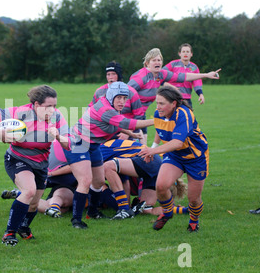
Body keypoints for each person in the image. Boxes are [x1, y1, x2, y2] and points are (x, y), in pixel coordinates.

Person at [0, 85, 70, 246]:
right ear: (36, 105)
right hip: (17, 158)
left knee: (35, 203)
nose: (52, 110)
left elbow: (68, 144)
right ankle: (9, 233)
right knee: (29, 191)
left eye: (55, 106)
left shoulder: (56, 117)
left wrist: (58, 136)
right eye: (48, 106)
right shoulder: (21, 112)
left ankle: (24, 228)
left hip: (41, 164)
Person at [64, 82, 154, 229]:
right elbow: (126, 122)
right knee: (86, 181)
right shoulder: (105, 109)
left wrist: (130, 134)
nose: (122, 102)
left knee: (98, 181)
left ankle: (92, 212)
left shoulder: (110, 106)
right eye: (119, 97)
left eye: (125, 98)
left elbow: (116, 125)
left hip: (93, 145)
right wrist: (158, 121)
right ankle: (76, 220)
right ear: (111, 96)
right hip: (78, 143)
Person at [138, 85, 209, 232]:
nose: (158, 107)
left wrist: (153, 151)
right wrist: (153, 146)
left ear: (174, 103)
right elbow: (160, 129)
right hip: (175, 155)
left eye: (162, 103)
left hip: (195, 157)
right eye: (157, 103)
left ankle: (194, 221)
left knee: (194, 199)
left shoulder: (184, 114)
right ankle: (168, 212)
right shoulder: (159, 113)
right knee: (161, 186)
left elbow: (177, 142)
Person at [127, 48, 220, 144]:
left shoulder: (161, 75)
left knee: (142, 152)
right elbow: (125, 93)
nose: (157, 62)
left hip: (140, 116)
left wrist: (206, 75)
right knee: (129, 151)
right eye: (154, 60)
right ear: (147, 63)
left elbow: (183, 77)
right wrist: (125, 126)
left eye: (159, 60)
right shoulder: (141, 76)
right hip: (127, 117)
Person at [89, 61, 145, 141]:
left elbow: (139, 115)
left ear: (119, 75)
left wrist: (128, 132)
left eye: (113, 74)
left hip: (129, 131)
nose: (110, 77)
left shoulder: (131, 92)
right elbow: (90, 111)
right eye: (108, 74)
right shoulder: (100, 92)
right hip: (106, 131)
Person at [163, 43, 204, 107]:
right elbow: (159, 75)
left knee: (190, 117)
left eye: (187, 52)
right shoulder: (173, 64)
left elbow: (197, 83)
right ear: (179, 53)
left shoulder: (194, 67)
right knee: (171, 117)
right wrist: (167, 85)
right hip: (172, 98)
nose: (185, 53)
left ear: (191, 54)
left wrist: (200, 94)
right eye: (183, 51)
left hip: (186, 99)